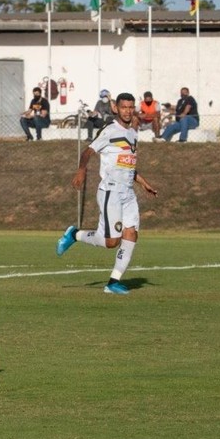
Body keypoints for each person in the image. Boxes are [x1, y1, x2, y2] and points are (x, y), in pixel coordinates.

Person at [56, 92, 158, 294]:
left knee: (131, 234)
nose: (127, 111)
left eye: (130, 107)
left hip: (128, 193)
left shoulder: (133, 134)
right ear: (116, 108)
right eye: (123, 107)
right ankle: (74, 234)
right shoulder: (110, 130)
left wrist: (143, 183)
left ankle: (113, 283)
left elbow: (127, 166)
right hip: (110, 191)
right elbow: (87, 152)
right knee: (112, 242)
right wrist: (81, 170)